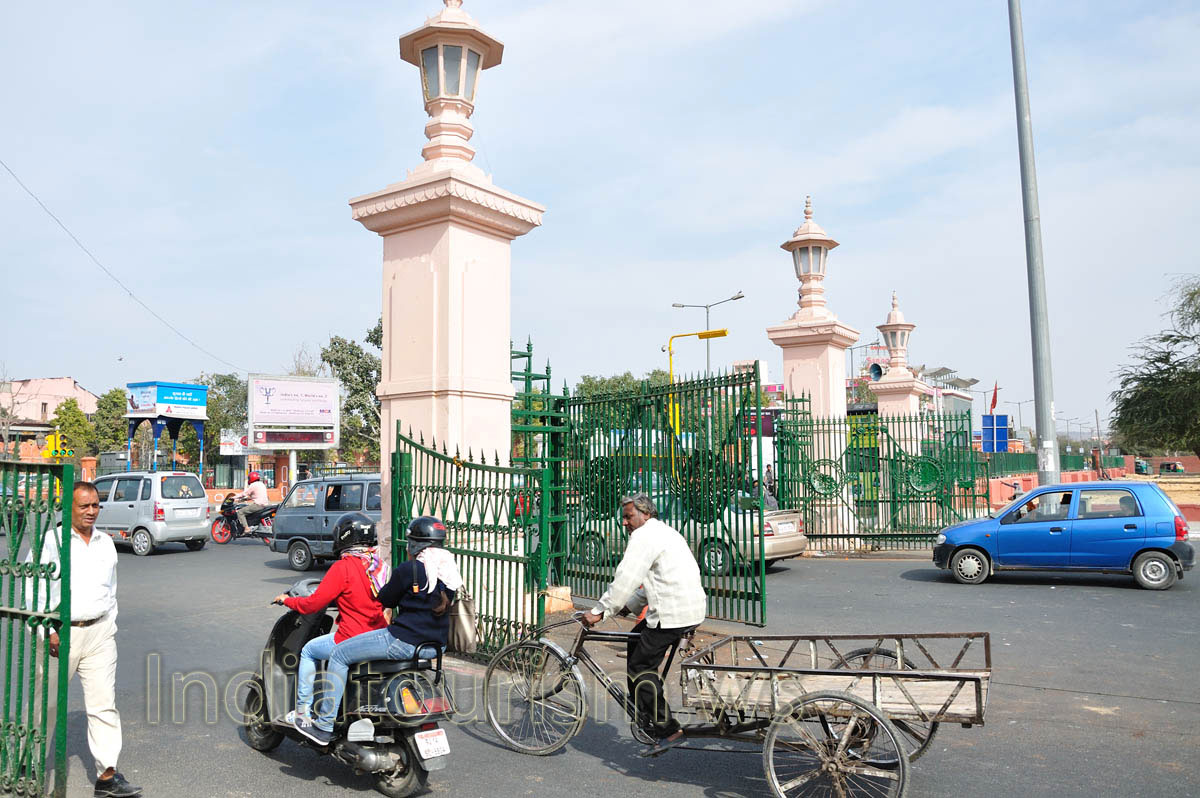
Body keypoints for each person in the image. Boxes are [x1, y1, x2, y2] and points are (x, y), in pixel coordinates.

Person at [287, 516, 458, 746]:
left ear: (414, 544)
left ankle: (324, 725)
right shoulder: (449, 574)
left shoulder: (408, 570)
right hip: (433, 647)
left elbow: (386, 598)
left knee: (339, 654)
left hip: (402, 641)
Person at [32, 482, 142, 797]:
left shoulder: (106, 543)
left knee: (104, 705)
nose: (92, 511)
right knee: (47, 703)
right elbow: (33, 592)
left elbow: (111, 589)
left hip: (100, 634)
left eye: (96, 505)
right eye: (85, 506)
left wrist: (109, 623)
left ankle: (107, 776)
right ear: (69, 508)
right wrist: (47, 631)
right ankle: (30, 763)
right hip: (60, 635)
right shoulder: (51, 542)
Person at [581, 493, 706, 757]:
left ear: (645, 514)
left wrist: (599, 611)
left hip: (673, 614)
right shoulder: (664, 532)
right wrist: (630, 606)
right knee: (635, 641)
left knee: (640, 669)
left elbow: (626, 578)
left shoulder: (644, 537)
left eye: (629, 517)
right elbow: (658, 581)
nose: (625, 522)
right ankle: (646, 709)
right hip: (685, 607)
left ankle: (668, 729)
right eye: (623, 517)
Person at [271, 512, 389, 727]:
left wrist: (287, 600)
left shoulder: (342, 568)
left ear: (343, 537)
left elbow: (312, 605)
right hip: (378, 636)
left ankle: (303, 712)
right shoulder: (378, 565)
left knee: (309, 650)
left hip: (352, 637)